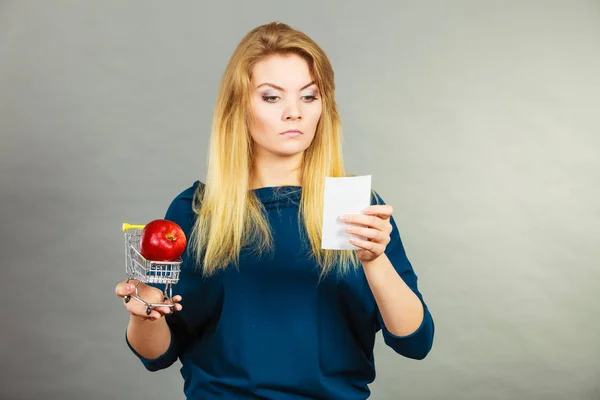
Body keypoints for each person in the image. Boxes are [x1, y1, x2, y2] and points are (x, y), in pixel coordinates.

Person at [115, 21, 435, 399]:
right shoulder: (196, 210)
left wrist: (374, 259)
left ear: (323, 107)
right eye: (271, 97)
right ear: (240, 107)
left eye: (308, 97)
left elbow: (416, 342)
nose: (293, 113)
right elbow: (157, 354)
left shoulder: (357, 207)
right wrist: (143, 312)